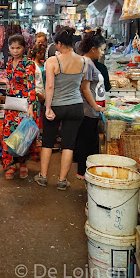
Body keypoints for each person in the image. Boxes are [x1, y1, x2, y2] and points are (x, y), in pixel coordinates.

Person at [35, 28, 86, 190]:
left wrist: (48, 107)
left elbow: (49, 86)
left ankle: (43, 177)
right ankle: (62, 181)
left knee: (48, 142)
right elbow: (82, 86)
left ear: (58, 44)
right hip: (76, 106)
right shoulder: (84, 61)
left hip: (56, 106)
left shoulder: (52, 61)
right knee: (68, 145)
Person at [2, 35, 39, 180]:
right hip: (11, 104)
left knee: (23, 136)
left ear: (24, 48)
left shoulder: (28, 64)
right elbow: (9, 83)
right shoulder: (9, 63)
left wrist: (31, 106)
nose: (15, 51)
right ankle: (11, 164)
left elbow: (31, 86)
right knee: (10, 135)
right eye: (12, 48)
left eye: (18, 48)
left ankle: (23, 163)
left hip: (25, 104)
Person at [75, 30, 107, 179]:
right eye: (101, 49)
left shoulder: (89, 62)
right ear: (93, 49)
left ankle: (85, 170)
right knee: (86, 141)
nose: (102, 53)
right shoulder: (87, 63)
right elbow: (85, 88)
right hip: (87, 109)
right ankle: (82, 171)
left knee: (89, 140)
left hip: (90, 109)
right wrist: (95, 106)